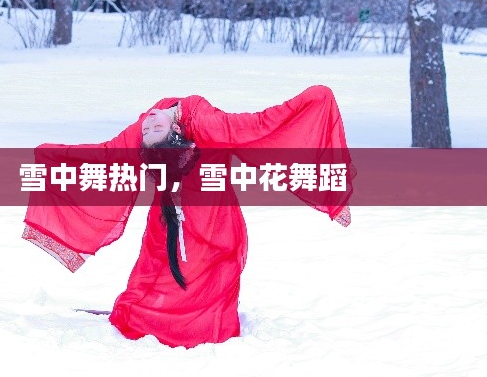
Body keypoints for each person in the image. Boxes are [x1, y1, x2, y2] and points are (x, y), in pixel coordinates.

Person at [22, 85, 354, 348]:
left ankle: (191, 325)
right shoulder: (178, 125)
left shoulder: (201, 123)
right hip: (170, 218)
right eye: (152, 126)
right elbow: (109, 155)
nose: (149, 121)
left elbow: (262, 127)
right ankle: (155, 320)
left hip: (213, 222)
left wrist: (315, 99)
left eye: (150, 128)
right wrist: (53, 155)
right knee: (154, 277)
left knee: (206, 282)